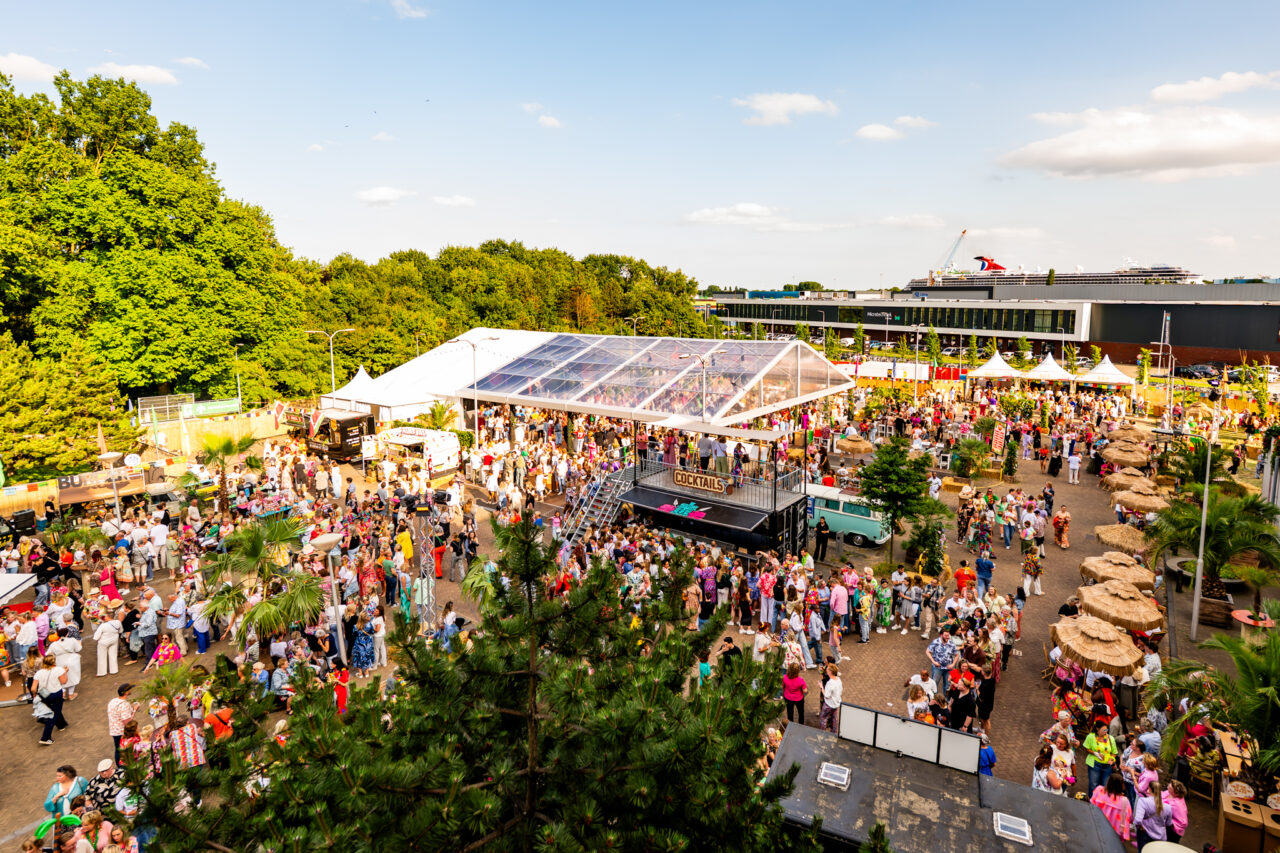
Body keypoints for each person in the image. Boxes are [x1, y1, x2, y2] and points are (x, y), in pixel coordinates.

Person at [34, 653, 70, 745]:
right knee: (54, 713)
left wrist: (35, 695)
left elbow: (33, 688)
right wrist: (65, 672)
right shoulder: (59, 670)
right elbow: (64, 681)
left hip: (43, 694)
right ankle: (45, 737)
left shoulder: (39, 672)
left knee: (54, 709)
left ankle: (61, 724)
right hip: (55, 693)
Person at [1090, 772, 1132, 844]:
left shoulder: (1099, 790)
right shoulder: (1125, 801)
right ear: (1121, 785)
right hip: (1113, 834)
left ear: (1108, 781)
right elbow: (1129, 818)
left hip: (1097, 826)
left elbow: (1091, 804)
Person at [1133, 780, 1173, 847]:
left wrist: (1141, 827)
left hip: (1145, 834)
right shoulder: (1168, 807)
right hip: (1160, 837)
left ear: (1149, 789)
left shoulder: (1143, 801)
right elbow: (1169, 823)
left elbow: (1138, 820)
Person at [1083, 719, 1119, 794]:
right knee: (1093, 785)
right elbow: (1086, 748)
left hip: (1107, 766)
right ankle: (1092, 803)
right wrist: (1095, 753)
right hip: (1095, 765)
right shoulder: (1091, 736)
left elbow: (1114, 752)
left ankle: (1102, 803)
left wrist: (1112, 759)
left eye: (1106, 729)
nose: (1106, 731)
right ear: (1097, 729)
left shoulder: (1110, 738)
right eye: (1103, 730)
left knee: (1105, 786)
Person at [106, 683, 138, 764]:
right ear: (126, 692)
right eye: (129, 689)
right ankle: (124, 766)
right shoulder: (124, 705)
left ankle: (118, 765)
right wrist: (134, 709)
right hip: (122, 732)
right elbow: (127, 722)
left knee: (117, 749)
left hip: (114, 731)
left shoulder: (113, 701)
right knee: (125, 750)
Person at [819, 663, 842, 732]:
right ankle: (834, 732)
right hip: (836, 704)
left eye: (828, 669)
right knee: (834, 719)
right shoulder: (838, 679)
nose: (826, 670)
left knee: (823, 718)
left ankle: (822, 732)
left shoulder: (830, 683)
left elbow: (826, 695)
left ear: (830, 672)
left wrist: (821, 687)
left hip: (829, 704)